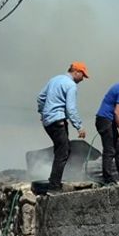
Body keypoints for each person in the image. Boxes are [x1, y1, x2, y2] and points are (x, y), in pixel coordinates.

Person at [36, 61, 89, 191]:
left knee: (60, 150)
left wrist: (43, 113)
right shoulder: (71, 85)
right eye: (83, 75)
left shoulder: (54, 79)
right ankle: (54, 187)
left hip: (48, 122)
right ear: (76, 72)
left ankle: (53, 181)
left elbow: (40, 98)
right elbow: (71, 109)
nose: (83, 79)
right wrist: (79, 126)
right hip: (58, 121)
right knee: (63, 152)